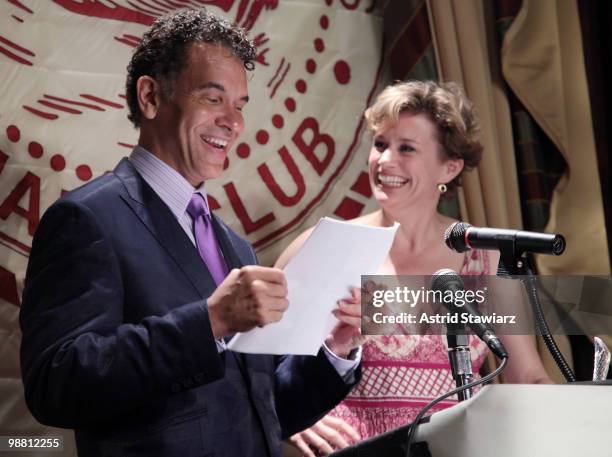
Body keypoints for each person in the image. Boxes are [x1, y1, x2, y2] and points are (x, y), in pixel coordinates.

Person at [19, 9, 362, 457]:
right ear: (150, 96)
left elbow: (262, 412)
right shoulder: (86, 219)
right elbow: (56, 382)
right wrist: (210, 321)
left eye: (239, 106)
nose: (233, 122)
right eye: (212, 98)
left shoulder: (235, 245)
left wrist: (334, 352)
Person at [276, 81, 553, 456]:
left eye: (406, 148)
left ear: (450, 167)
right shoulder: (324, 245)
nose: (385, 160)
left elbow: (527, 376)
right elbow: (253, 367)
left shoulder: (487, 261)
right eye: (379, 145)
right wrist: (293, 418)